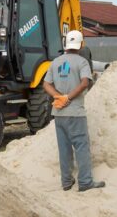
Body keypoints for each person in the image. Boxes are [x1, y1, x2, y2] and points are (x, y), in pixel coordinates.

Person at [43, 30, 105, 192]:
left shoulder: (55, 62)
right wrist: (68, 98)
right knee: (81, 147)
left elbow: (46, 84)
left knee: (64, 148)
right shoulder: (82, 62)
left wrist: (58, 97)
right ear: (81, 44)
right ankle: (85, 182)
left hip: (58, 113)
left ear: (66, 44)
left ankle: (66, 182)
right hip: (75, 112)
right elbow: (85, 83)